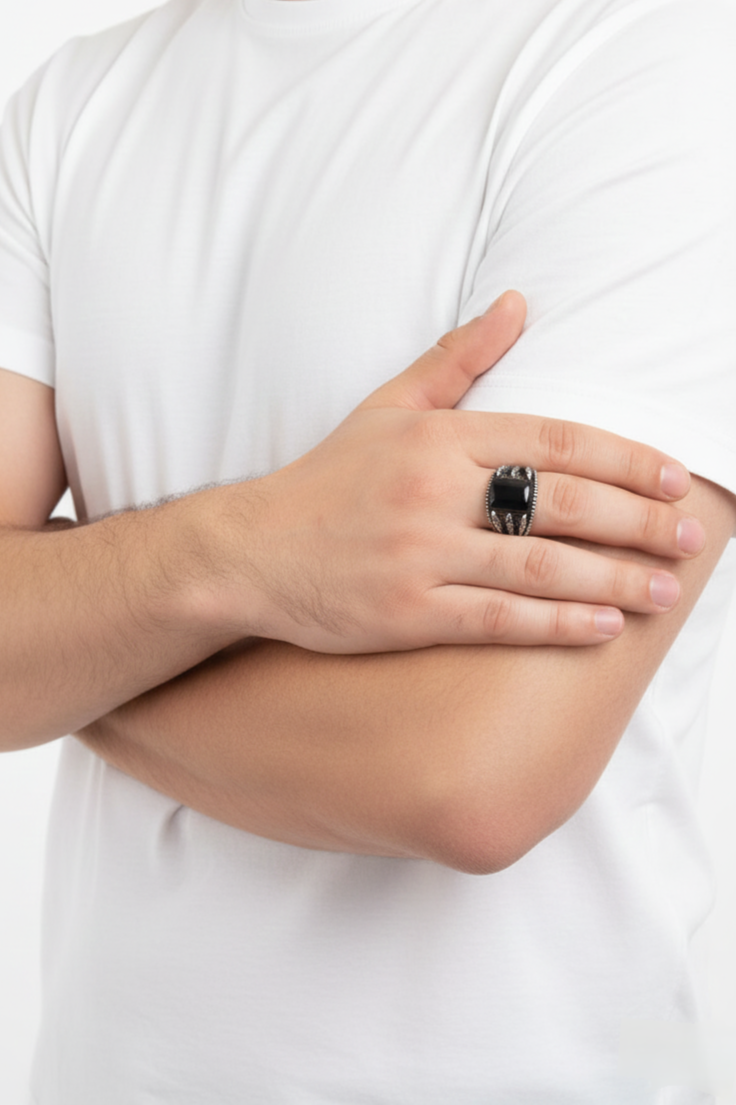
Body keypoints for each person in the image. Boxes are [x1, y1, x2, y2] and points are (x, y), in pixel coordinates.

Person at [0, 0, 734, 1101]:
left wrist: (72, 655)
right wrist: (244, 550)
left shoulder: (645, 63)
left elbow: (468, 775)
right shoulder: (67, 105)